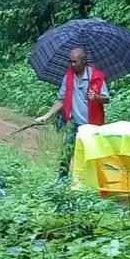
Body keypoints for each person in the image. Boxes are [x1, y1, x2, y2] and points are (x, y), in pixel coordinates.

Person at [35, 47, 109, 179]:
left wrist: (96, 97)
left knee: (91, 155)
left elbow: (107, 98)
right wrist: (46, 116)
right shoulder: (68, 76)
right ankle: (62, 179)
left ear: (83, 61)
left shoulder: (96, 77)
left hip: (92, 125)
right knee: (66, 151)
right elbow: (61, 100)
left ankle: (89, 181)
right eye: (71, 61)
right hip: (74, 123)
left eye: (75, 61)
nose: (72, 64)